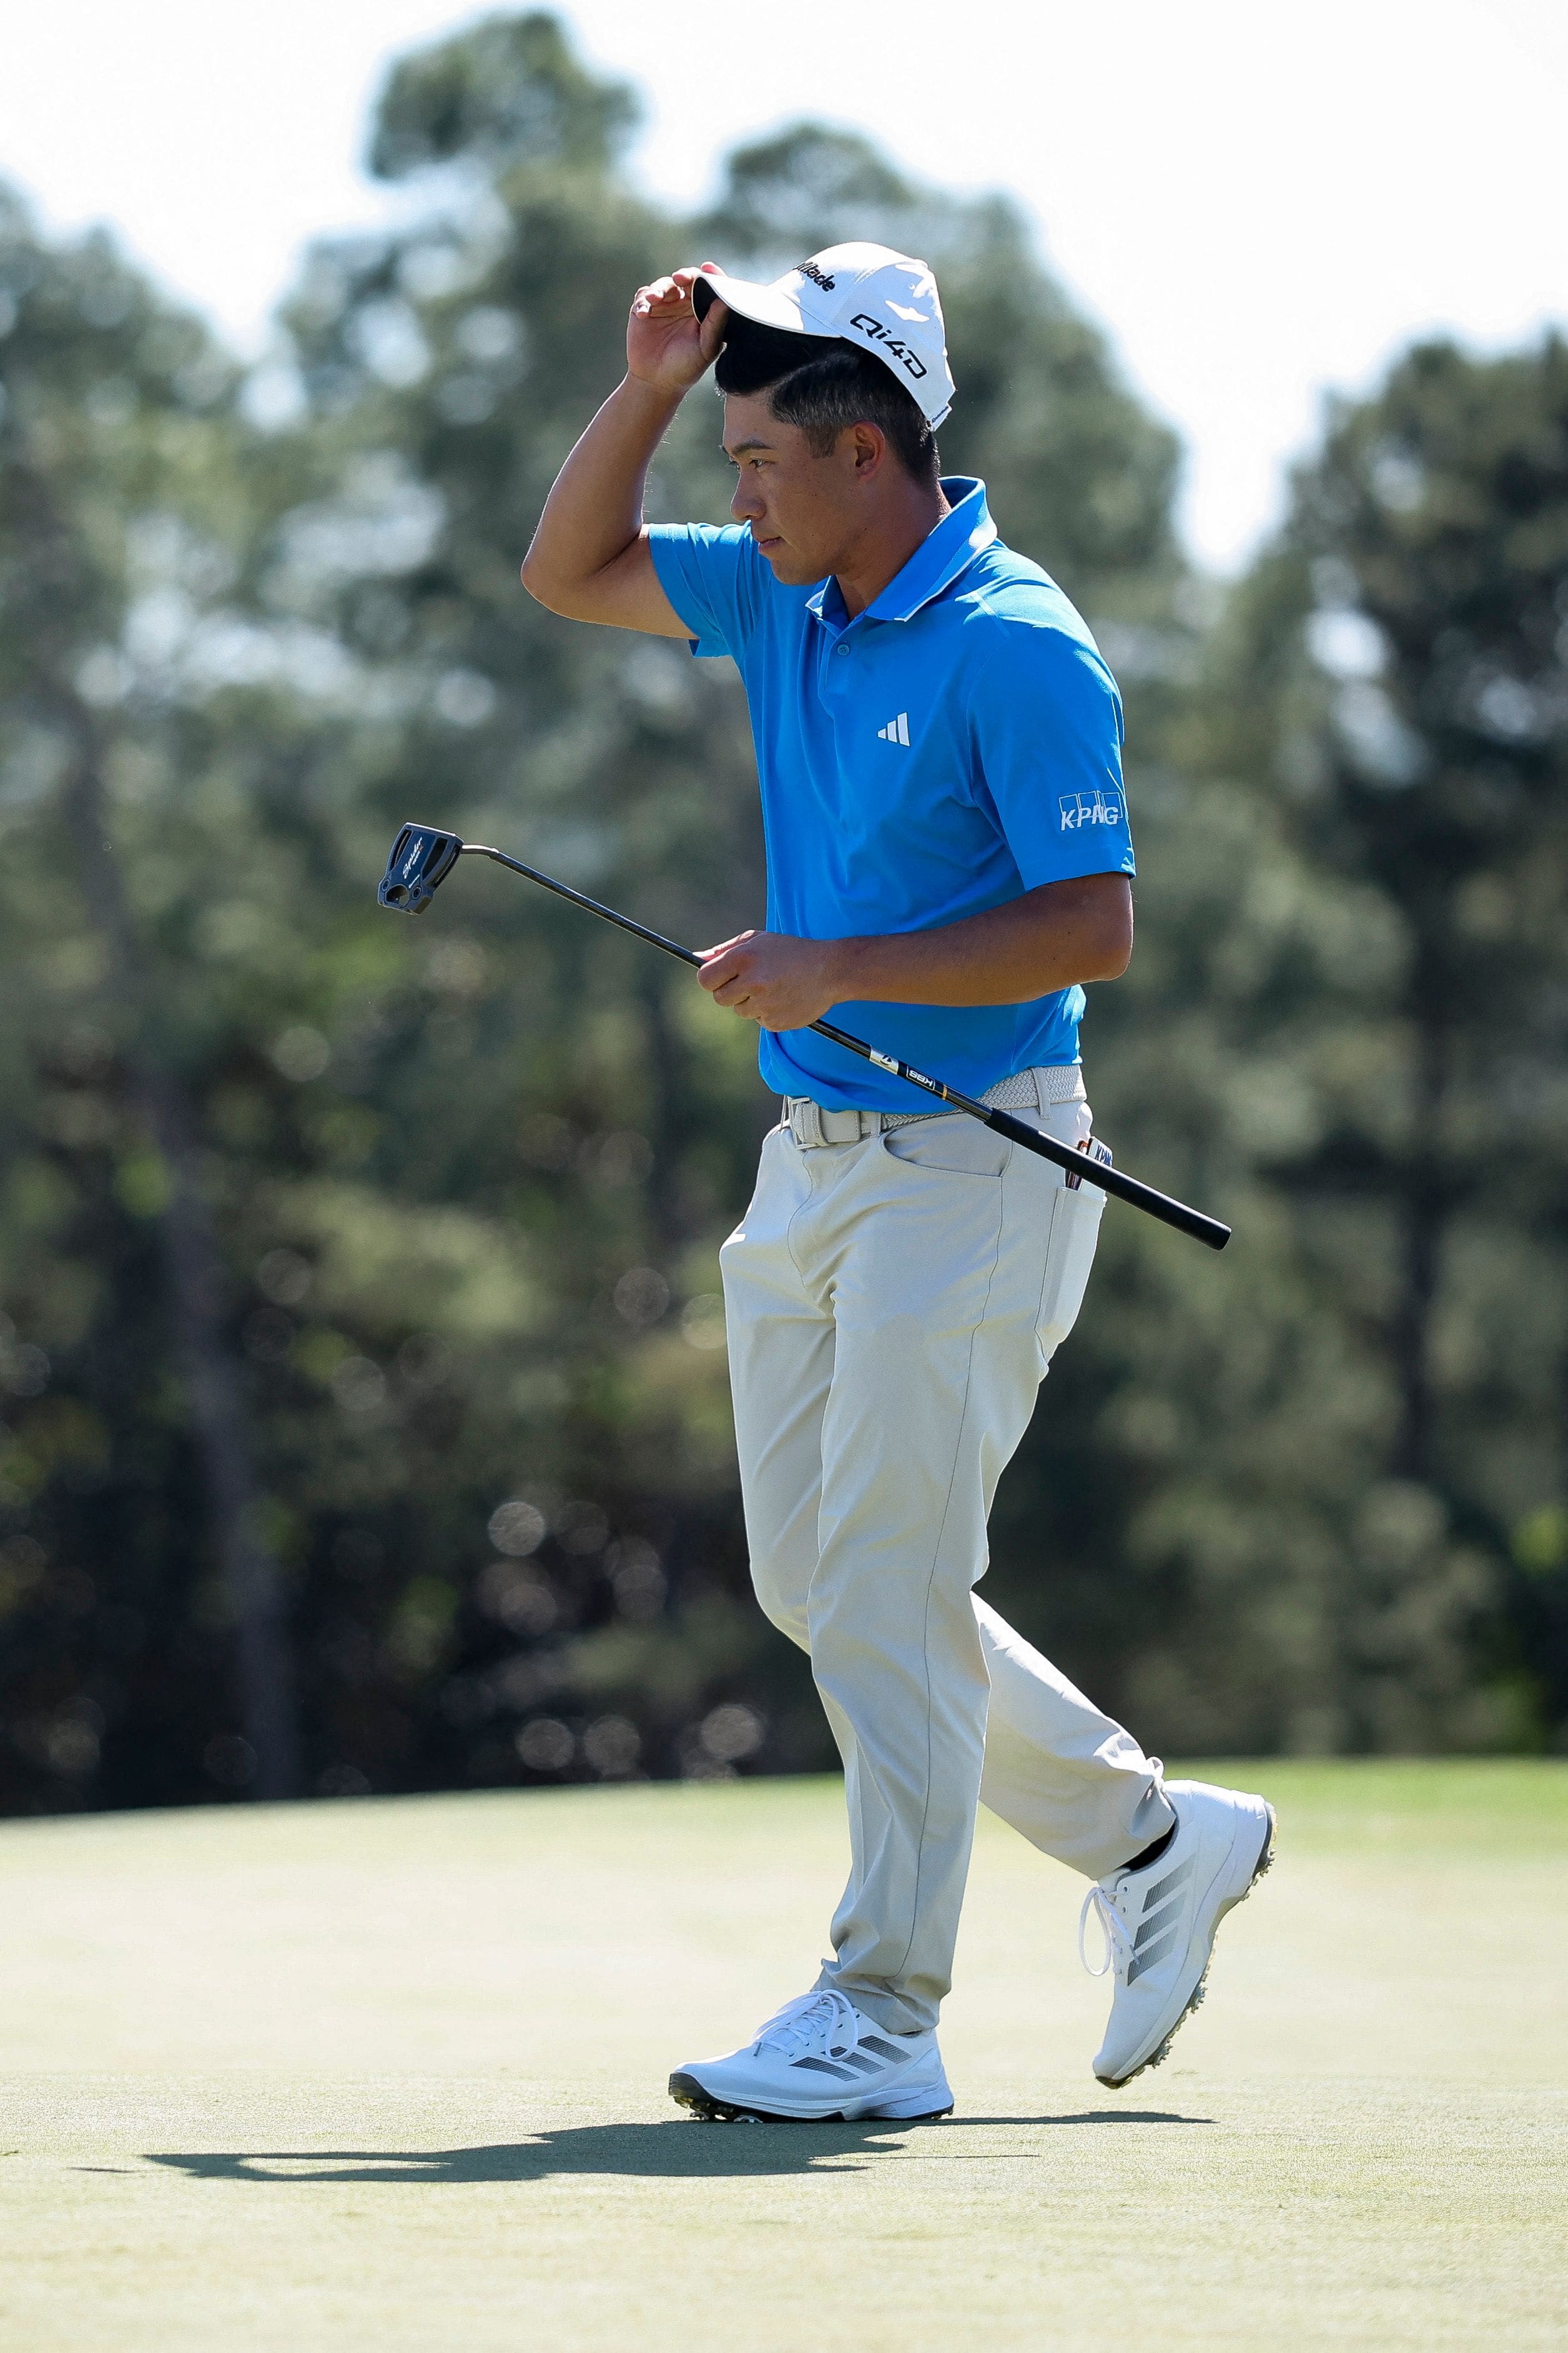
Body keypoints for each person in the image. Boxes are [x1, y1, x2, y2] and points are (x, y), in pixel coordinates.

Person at [521, 242, 1273, 2123]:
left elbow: (1095, 926)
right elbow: (568, 572)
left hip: (981, 1160)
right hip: (813, 1170)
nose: (739, 495)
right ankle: (1151, 1838)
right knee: (824, 1582)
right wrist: (651, 388)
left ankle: (885, 2014)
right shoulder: (785, 589)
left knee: (886, 1582)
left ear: (868, 452)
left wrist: (838, 966)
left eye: (760, 461)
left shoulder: (1019, 641)